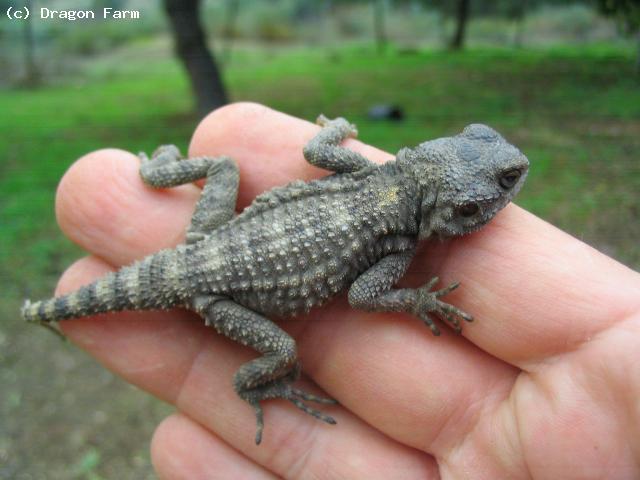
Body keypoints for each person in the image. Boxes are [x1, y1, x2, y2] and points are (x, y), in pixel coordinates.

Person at [53, 103, 640, 479]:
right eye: (503, 182)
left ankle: (158, 171)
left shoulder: (372, 177)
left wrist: (337, 128)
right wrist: (418, 299)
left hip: (210, 240)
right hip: (213, 288)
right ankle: (252, 386)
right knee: (281, 353)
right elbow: (364, 296)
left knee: (224, 167)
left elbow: (316, 150)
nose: (516, 172)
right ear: (463, 210)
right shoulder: (397, 242)